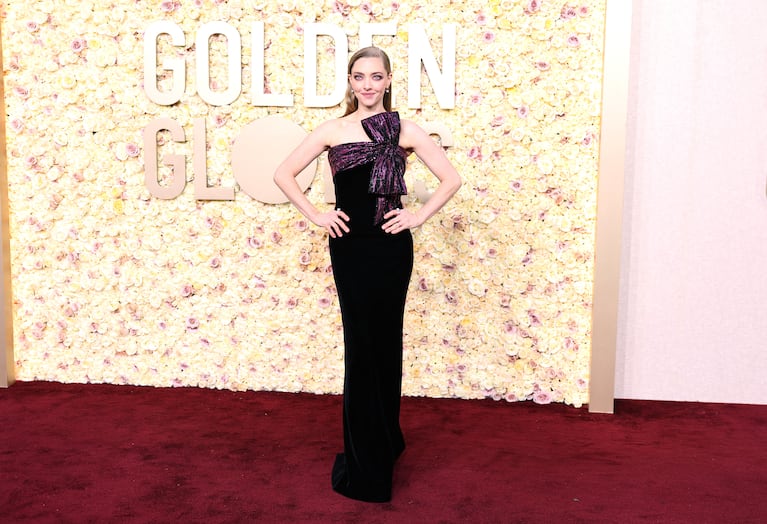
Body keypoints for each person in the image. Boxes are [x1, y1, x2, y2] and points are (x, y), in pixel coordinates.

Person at [273, 46, 461, 502]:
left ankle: (385, 440)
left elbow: (451, 179)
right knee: (361, 348)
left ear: (389, 80)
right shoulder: (333, 130)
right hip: (351, 249)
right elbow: (284, 173)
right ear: (351, 82)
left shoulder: (406, 130)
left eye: (376, 77)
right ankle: (367, 463)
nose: (368, 85)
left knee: (386, 344)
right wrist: (317, 214)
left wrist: (416, 217)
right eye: (359, 77)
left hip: (392, 249)